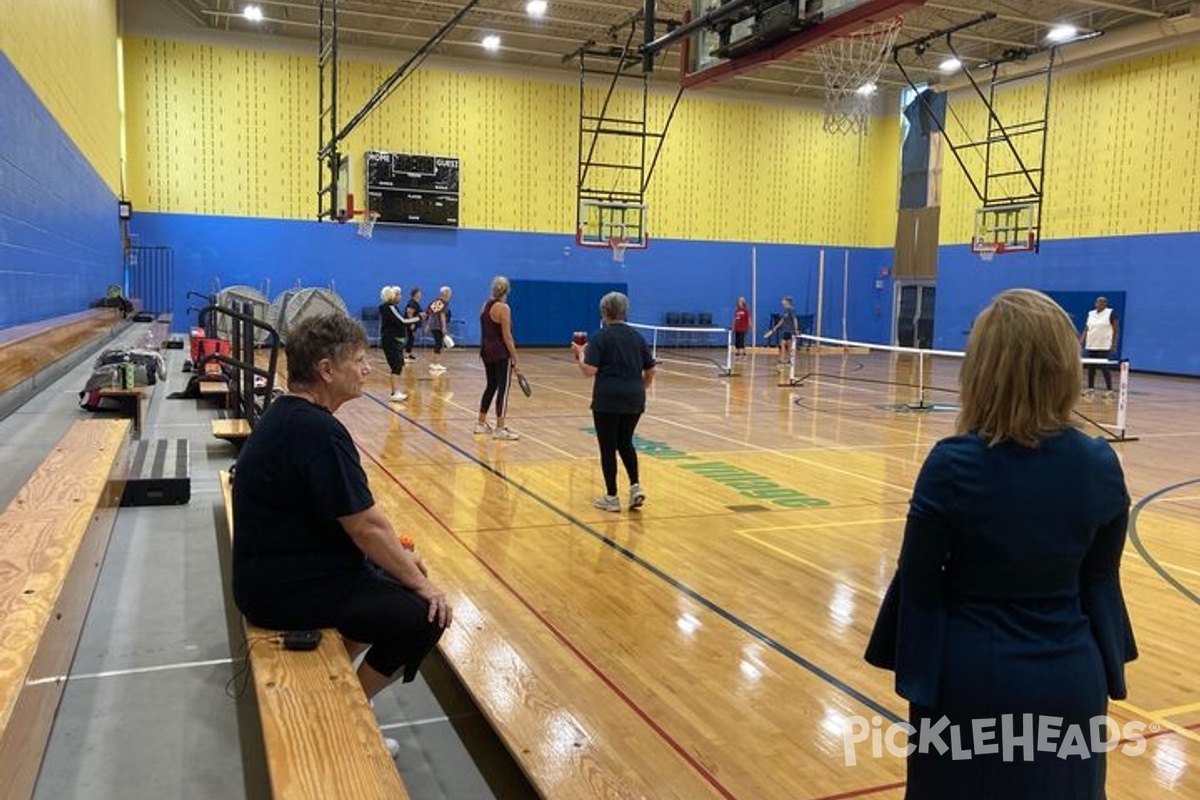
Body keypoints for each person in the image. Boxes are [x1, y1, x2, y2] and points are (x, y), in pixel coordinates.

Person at [864, 289, 1136, 799]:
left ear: (981, 371)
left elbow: (918, 583)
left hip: (970, 679)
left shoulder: (951, 465)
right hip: (1070, 679)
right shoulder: (1100, 464)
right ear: (1064, 368)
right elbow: (1100, 578)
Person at [232, 312, 453, 758]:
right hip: (280, 590)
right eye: (358, 359)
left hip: (274, 571)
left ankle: (335, 684)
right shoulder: (318, 431)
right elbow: (366, 526)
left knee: (394, 576)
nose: (367, 367)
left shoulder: (288, 415)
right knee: (424, 615)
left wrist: (401, 566)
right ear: (326, 370)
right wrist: (419, 582)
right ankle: (346, 711)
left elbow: (355, 519)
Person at [571, 291, 656, 512]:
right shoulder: (637, 337)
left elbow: (589, 371)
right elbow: (651, 370)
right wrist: (640, 388)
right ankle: (635, 486)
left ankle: (612, 497)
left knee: (608, 447)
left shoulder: (600, 337)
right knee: (626, 442)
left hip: (607, 400)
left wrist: (580, 354)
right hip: (634, 399)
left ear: (604, 312)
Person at [476, 276, 523, 441]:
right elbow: (507, 336)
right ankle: (500, 428)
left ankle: (480, 423)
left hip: (486, 351)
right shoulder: (504, 308)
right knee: (503, 389)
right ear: (507, 290)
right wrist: (516, 360)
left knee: (491, 385)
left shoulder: (485, 306)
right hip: (501, 353)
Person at [378, 285, 418, 403]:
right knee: (396, 366)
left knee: (399, 365)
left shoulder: (392, 307)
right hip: (391, 341)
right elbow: (403, 321)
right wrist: (418, 318)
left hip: (396, 341)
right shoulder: (389, 307)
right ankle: (395, 392)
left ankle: (396, 391)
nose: (400, 296)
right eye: (398, 294)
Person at [1080, 295, 1119, 400]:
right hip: (1092, 344)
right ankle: (1090, 388)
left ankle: (1109, 390)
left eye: (1102, 302)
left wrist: (1114, 344)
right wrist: (1082, 341)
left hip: (1104, 345)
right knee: (1091, 368)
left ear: (1106, 304)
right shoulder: (1091, 314)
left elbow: (1116, 329)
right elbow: (1086, 329)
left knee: (1104, 367)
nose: (1099, 304)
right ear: (1095, 303)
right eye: (1098, 302)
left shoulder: (1111, 313)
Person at [763, 295, 800, 369]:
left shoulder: (791, 310)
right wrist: (775, 328)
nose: (782, 302)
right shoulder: (785, 310)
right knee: (786, 346)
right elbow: (782, 321)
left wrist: (796, 329)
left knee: (783, 345)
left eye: (783, 300)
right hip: (785, 330)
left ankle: (783, 360)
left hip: (789, 330)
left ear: (787, 302)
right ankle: (788, 361)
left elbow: (795, 319)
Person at [426, 286, 452, 373]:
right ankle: (436, 363)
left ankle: (434, 362)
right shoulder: (444, 302)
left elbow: (430, 313)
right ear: (445, 293)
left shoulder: (436, 301)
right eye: (449, 293)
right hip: (438, 326)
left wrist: (428, 325)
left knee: (437, 343)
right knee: (439, 344)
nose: (450, 295)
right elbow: (442, 315)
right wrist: (444, 327)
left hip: (433, 325)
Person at [403, 287, 424, 361]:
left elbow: (417, 312)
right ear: (415, 294)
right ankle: (406, 355)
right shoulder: (412, 302)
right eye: (419, 293)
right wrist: (412, 323)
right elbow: (409, 312)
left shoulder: (415, 302)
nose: (421, 294)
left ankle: (409, 353)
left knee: (412, 338)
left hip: (414, 323)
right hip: (410, 323)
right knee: (410, 338)